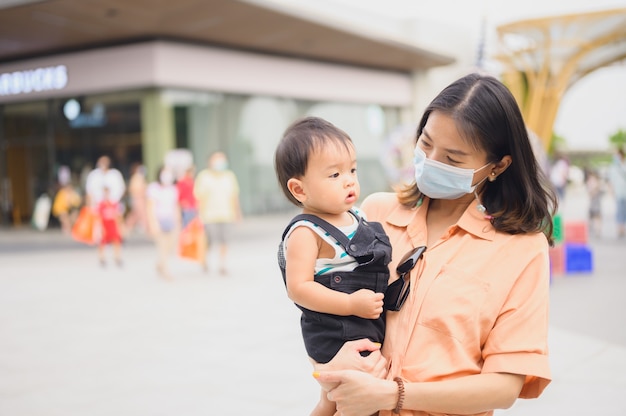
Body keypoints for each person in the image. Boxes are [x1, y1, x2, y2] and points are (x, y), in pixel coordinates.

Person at [312, 73, 557, 416]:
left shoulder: (522, 249)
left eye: (453, 159)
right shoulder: (375, 212)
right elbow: (328, 310)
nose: (431, 161)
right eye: (425, 144)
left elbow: (503, 386)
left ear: (498, 165)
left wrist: (392, 396)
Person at [274, 117, 392, 416]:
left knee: (347, 399)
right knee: (343, 400)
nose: (350, 180)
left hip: (365, 322)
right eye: (335, 174)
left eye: (352, 169)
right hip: (335, 331)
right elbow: (299, 288)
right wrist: (351, 302)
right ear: (299, 190)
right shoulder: (306, 232)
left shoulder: (356, 215)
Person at [194, 152, 242, 275]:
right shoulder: (203, 176)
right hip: (208, 216)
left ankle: (222, 264)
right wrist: (198, 215)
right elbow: (200, 198)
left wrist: (237, 213)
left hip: (227, 214)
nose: (220, 162)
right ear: (210, 161)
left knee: (224, 241)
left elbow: (234, 196)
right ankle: (204, 260)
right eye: (217, 159)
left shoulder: (229, 176)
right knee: (207, 241)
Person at [146, 166, 181, 280]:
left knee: (170, 246)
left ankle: (160, 264)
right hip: (159, 220)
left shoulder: (173, 189)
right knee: (162, 246)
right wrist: (153, 223)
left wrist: (178, 222)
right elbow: (150, 206)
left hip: (170, 220)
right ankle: (165, 270)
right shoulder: (154, 188)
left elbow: (175, 206)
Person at [96, 187, 123, 267]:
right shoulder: (101, 204)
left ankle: (117, 257)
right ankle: (102, 258)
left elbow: (118, 215)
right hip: (105, 225)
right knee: (102, 242)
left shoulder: (114, 204)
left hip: (112, 224)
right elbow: (98, 217)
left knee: (116, 241)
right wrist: (100, 227)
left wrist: (120, 226)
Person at [52, 166, 81, 235]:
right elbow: (58, 206)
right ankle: (67, 228)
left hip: (71, 210)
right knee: (64, 215)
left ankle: (72, 228)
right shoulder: (61, 193)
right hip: (62, 210)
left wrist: (71, 202)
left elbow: (77, 203)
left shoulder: (73, 193)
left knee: (75, 214)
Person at [125, 162, 148, 235]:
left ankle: (127, 227)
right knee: (140, 214)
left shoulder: (141, 178)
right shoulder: (135, 178)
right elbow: (133, 189)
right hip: (137, 199)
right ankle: (147, 229)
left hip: (141, 199)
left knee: (136, 214)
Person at [607, 148, 626, 238]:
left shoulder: (624, 165)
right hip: (618, 192)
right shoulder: (613, 167)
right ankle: (620, 228)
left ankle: (623, 228)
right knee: (619, 210)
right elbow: (611, 181)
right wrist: (611, 191)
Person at [584, 167, 603, 238]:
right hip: (595, 202)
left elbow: (591, 191)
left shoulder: (592, 181)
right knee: (595, 216)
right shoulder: (596, 181)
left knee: (595, 216)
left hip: (595, 202)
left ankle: (596, 229)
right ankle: (596, 229)